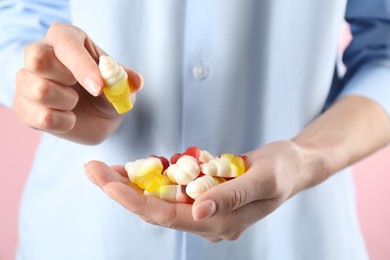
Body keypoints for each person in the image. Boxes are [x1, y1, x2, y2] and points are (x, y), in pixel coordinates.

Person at [1, 0, 390, 259]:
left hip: (294, 236)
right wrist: (47, 83)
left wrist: (307, 159)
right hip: (83, 235)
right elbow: (17, 18)